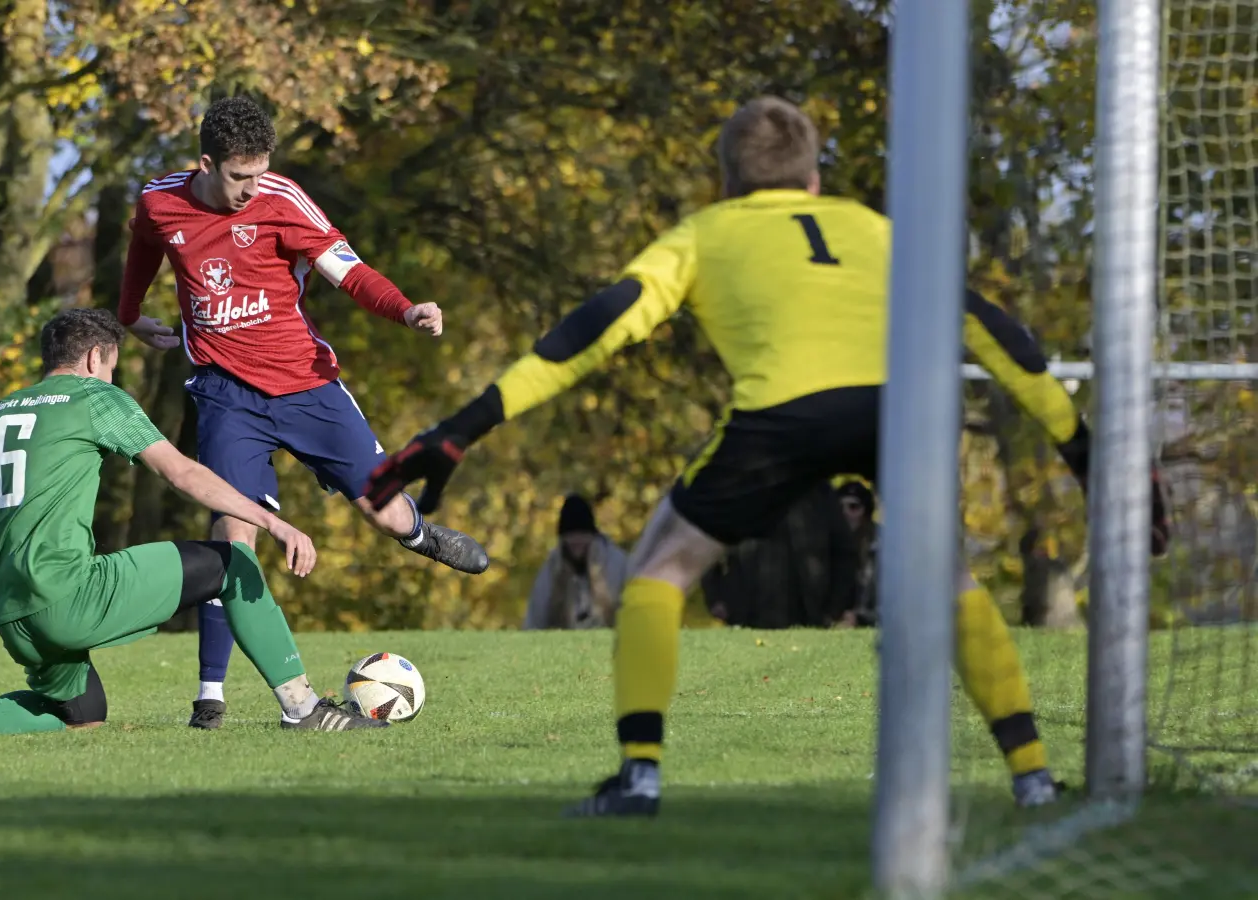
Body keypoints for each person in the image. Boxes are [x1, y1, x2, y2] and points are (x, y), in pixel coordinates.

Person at [364, 96, 1172, 816]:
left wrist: (463, 427)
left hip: (779, 418)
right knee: (949, 578)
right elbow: (1001, 337)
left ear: (725, 182)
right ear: (814, 177)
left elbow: (591, 331)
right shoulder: (874, 229)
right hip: (897, 412)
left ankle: (639, 778)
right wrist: (1088, 456)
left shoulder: (704, 235)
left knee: (656, 574)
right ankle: (1032, 778)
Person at [0, 309, 387, 738]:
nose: (112, 379)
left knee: (82, 715)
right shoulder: (95, 398)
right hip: (69, 596)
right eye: (111, 367)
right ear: (95, 360)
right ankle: (304, 709)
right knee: (233, 561)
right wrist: (270, 520)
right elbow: (183, 474)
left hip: (13, 617)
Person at [117, 96, 489, 731]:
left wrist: (404, 309)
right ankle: (215, 698)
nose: (250, 189)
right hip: (225, 394)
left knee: (386, 510)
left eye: (259, 173)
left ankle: (418, 535)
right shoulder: (161, 200)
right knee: (232, 538)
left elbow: (348, 272)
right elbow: (144, 250)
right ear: (207, 162)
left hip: (306, 385)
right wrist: (128, 316)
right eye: (239, 177)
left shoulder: (282, 198)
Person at [698, 480, 859, 629]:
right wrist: (715, 597)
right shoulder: (737, 486)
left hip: (808, 613)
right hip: (745, 612)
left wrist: (834, 608)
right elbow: (708, 540)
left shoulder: (818, 491)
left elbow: (845, 552)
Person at [523, 494, 628, 630]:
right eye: (571, 535)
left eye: (582, 534)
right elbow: (536, 615)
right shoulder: (554, 566)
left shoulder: (615, 562)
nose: (577, 540)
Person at [834, 480, 880, 627]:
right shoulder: (826, 543)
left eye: (853, 507)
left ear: (866, 512)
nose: (845, 513)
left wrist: (861, 618)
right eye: (839, 507)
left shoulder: (882, 547)